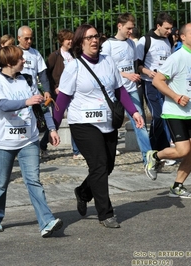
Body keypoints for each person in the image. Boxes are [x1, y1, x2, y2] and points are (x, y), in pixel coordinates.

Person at [53, 24, 144, 228]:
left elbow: (120, 90)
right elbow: (62, 101)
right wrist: (53, 127)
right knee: (99, 165)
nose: (94, 40)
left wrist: (135, 112)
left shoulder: (108, 61)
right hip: (83, 124)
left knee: (107, 166)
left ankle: (83, 192)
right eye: (89, 38)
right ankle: (106, 213)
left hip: (107, 122)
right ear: (80, 42)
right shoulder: (74, 67)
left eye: (96, 37)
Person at [0, 45, 63, 237]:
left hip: (28, 139)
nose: (24, 61)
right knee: (1, 182)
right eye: (21, 59)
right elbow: (2, 105)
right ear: (10, 62)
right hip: (3, 141)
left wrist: (52, 129)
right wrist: (25, 102)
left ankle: (46, 222)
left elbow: (41, 107)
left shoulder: (27, 79)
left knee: (33, 181)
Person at [148, 23, 191, 198]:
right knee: (183, 150)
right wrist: (176, 96)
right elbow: (158, 81)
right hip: (175, 112)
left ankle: (177, 186)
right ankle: (155, 156)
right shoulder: (176, 58)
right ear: (183, 37)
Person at [101, 13, 152, 167]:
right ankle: (104, 157)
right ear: (119, 26)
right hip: (114, 92)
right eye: (128, 28)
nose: (131, 31)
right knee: (109, 125)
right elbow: (105, 69)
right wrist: (126, 75)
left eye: (132, 28)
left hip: (131, 90)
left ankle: (148, 158)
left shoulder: (131, 44)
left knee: (140, 122)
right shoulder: (108, 45)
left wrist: (135, 75)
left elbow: (134, 64)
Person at [136, 12, 175, 159]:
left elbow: (171, 61)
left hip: (165, 84)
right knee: (157, 116)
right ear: (158, 26)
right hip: (150, 84)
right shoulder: (145, 40)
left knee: (167, 115)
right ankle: (153, 148)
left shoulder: (169, 40)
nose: (169, 31)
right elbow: (137, 64)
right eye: (166, 28)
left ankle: (164, 149)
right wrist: (147, 71)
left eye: (171, 28)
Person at [45, 29, 83, 160]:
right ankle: (43, 144)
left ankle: (77, 151)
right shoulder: (54, 56)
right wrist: (54, 87)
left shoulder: (75, 55)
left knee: (74, 119)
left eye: (72, 39)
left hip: (73, 93)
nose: (70, 41)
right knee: (56, 121)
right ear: (62, 41)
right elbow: (47, 74)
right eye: (68, 39)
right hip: (59, 94)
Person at [17, 26, 52, 158]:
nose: (29, 41)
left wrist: (47, 90)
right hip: (19, 96)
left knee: (35, 124)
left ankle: (33, 150)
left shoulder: (36, 53)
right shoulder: (14, 52)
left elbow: (42, 74)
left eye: (31, 38)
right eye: (26, 38)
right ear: (19, 38)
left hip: (34, 95)